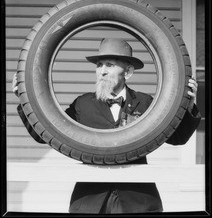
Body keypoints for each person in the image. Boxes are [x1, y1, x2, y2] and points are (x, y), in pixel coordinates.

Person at [12, 38, 201, 214]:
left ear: (127, 72)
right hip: (90, 200)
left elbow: (178, 138)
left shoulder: (145, 102)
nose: (101, 71)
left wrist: (189, 105)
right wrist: (24, 98)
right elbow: (44, 134)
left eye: (109, 65)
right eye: (99, 65)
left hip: (137, 199)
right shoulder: (83, 104)